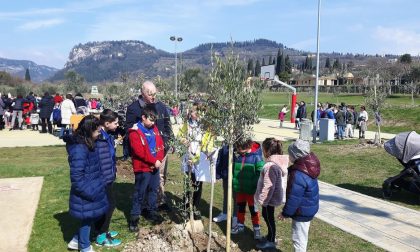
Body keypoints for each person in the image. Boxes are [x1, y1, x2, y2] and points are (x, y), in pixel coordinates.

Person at [125, 81, 173, 210]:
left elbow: (168, 125)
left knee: (160, 176)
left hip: (161, 149)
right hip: (143, 152)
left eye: (155, 94)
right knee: (144, 178)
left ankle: (159, 201)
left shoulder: (161, 107)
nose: (153, 97)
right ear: (142, 93)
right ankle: (143, 205)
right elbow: (129, 130)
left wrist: (168, 141)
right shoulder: (133, 109)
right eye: (150, 94)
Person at [65, 115, 109, 252]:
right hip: (87, 191)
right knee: (87, 218)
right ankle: (85, 247)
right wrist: (91, 191)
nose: (99, 134)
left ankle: (76, 240)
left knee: (91, 216)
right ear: (90, 131)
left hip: (94, 187)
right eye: (97, 131)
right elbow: (77, 177)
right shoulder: (79, 149)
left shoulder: (88, 143)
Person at [278, 139, 320, 252]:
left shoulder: (298, 173)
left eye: (290, 154)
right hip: (308, 208)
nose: (289, 156)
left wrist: (285, 213)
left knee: (298, 239)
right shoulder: (309, 165)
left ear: (296, 155)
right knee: (302, 237)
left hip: (301, 211)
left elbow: (294, 198)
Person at [128, 105, 165, 232]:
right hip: (143, 168)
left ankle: (151, 211)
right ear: (143, 117)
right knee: (140, 193)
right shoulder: (135, 131)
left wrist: (159, 159)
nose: (153, 122)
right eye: (151, 119)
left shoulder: (154, 129)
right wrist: (153, 161)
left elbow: (160, 144)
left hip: (155, 166)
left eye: (155, 120)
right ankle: (134, 217)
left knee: (153, 190)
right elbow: (140, 152)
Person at [178, 105, 215, 220]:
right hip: (188, 157)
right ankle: (185, 207)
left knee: (198, 184)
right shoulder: (187, 124)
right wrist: (183, 140)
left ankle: (195, 207)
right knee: (188, 183)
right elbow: (180, 135)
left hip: (200, 159)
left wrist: (206, 151)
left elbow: (210, 140)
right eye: (194, 111)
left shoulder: (206, 126)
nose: (196, 114)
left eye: (199, 112)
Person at [92, 109, 122, 247]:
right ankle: (101, 235)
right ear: (107, 123)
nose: (117, 125)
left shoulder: (107, 135)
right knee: (109, 205)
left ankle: (102, 230)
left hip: (108, 176)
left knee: (107, 205)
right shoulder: (99, 137)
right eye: (115, 123)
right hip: (102, 178)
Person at [255, 138, 289, 250]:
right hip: (272, 198)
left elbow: (269, 186)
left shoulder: (270, 166)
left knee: (269, 218)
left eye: (263, 150)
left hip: (269, 199)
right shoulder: (276, 163)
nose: (262, 152)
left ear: (267, 151)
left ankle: (271, 241)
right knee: (267, 216)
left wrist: (263, 200)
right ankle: (270, 236)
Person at [231, 138, 264, 240]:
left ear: (246, 147)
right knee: (241, 207)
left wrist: (253, 183)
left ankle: (256, 229)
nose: (237, 150)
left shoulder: (256, 157)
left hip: (251, 191)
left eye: (239, 148)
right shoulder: (239, 157)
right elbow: (234, 170)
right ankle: (240, 225)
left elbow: (260, 173)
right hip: (240, 189)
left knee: (253, 210)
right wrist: (234, 181)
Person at [213, 144, 238, 227]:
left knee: (236, 198)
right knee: (226, 195)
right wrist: (217, 175)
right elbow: (220, 160)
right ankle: (225, 213)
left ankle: (235, 217)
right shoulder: (225, 147)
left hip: (237, 177)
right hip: (226, 175)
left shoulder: (240, 146)